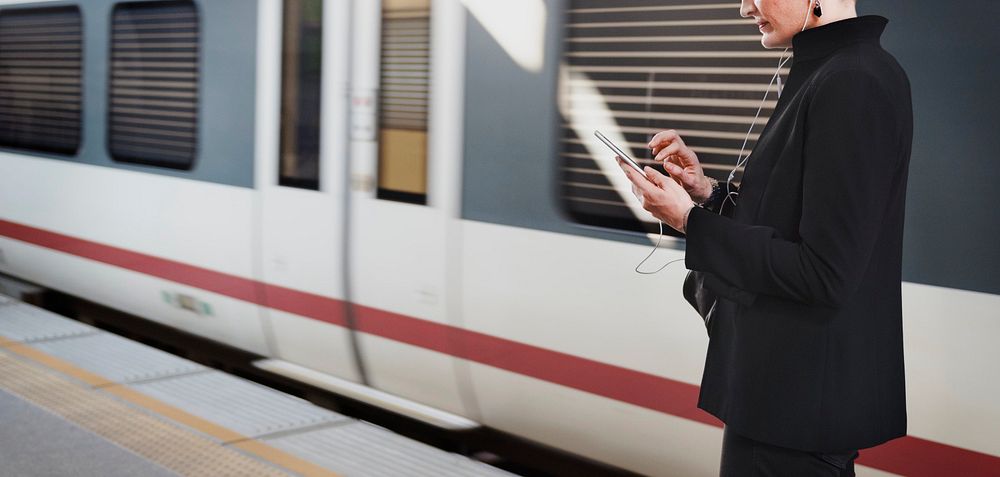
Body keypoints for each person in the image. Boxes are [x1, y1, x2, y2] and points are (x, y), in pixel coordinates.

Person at [618, 1, 911, 475]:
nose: (744, 7)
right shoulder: (832, 71)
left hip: (793, 415)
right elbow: (790, 220)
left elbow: (824, 273)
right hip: (783, 406)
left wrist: (690, 222)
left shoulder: (852, 82)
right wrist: (707, 194)